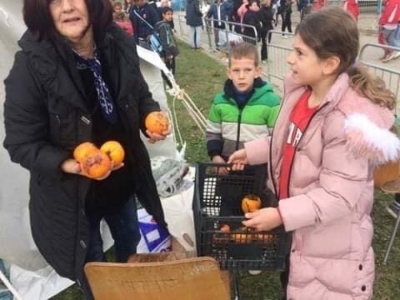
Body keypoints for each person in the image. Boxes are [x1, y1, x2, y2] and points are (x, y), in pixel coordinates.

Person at [3, 0, 170, 299]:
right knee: (92, 268)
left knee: (129, 242)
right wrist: (69, 164)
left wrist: (149, 118)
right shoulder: (30, 66)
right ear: (43, 10)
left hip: (122, 180)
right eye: (55, 1)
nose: (67, 7)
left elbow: (139, 92)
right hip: (73, 198)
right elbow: (20, 143)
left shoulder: (117, 42)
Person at [228, 7, 398, 300]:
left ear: (329, 64)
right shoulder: (302, 94)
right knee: (294, 284)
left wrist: (281, 214)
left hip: (330, 248)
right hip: (300, 229)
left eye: (300, 52)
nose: (290, 59)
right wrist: (252, 151)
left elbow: (337, 196)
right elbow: (287, 141)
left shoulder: (345, 123)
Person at [206, 42, 280, 169]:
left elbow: (276, 139)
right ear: (229, 73)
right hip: (226, 166)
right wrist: (215, 156)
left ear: (257, 71)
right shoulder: (220, 101)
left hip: (258, 169)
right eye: (236, 70)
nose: (241, 76)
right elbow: (213, 133)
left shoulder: (271, 102)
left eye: (247, 70)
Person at [155, 7, 180, 94]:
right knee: (169, 70)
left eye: (171, 14)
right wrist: (168, 54)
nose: (170, 16)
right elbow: (164, 42)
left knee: (169, 70)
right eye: (168, 14)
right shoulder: (163, 26)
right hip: (168, 52)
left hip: (167, 52)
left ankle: (170, 85)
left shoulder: (163, 24)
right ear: (163, 15)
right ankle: (172, 86)